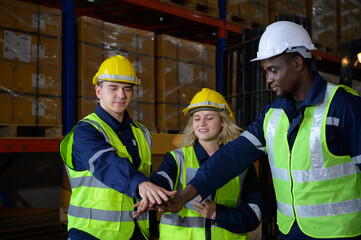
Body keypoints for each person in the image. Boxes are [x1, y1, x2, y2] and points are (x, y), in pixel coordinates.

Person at [134, 21, 361, 240]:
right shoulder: (271, 115)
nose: (268, 79)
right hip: (290, 232)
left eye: (273, 70)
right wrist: (183, 197)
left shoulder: (344, 106)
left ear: (298, 63)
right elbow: (230, 158)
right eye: (265, 71)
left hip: (338, 233)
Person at [60, 55, 176, 240]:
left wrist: (152, 228)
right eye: (113, 88)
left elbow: (147, 184)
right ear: (98, 91)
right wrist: (140, 183)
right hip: (92, 234)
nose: (121, 95)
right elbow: (105, 163)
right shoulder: (85, 131)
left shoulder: (141, 132)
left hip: (137, 232)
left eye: (127, 89)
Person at [143, 88, 265, 239]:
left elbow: (255, 213)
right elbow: (160, 182)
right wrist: (151, 192)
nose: (202, 123)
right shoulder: (177, 159)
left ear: (222, 122)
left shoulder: (242, 164)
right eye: (196, 118)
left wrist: (217, 213)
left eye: (209, 118)